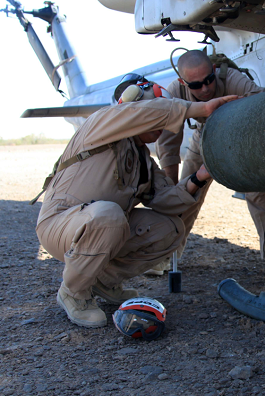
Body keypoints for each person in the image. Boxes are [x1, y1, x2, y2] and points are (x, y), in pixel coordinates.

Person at [35, 80, 239, 328]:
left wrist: (200, 176)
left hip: (102, 226)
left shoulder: (143, 159)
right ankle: (73, 292)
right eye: (155, 111)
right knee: (109, 215)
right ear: (132, 107)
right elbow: (139, 113)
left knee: (170, 229)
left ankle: (101, 281)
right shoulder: (100, 125)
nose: (162, 125)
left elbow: (166, 201)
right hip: (61, 225)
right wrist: (199, 109)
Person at [154, 49, 265, 281]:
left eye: (209, 80)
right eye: (196, 85)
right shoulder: (175, 93)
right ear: (182, 82)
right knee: (186, 195)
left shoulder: (233, 80)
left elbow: (264, 105)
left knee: (260, 195)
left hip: (240, 139)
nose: (206, 89)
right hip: (203, 138)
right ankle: (166, 255)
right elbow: (168, 144)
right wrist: (171, 190)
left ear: (214, 71)